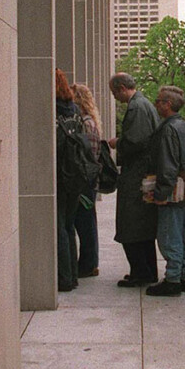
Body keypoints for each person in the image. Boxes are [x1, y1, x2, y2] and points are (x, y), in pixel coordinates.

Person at [144, 86, 185, 297]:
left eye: (159, 100)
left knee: (171, 235)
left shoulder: (169, 129)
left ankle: (172, 279)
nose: (156, 103)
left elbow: (168, 165)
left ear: (167, 104)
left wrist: (161, 193)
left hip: (174, 191)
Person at [108, 73, 160, 287]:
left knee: (132, 223)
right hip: (141, 171)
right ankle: (145, 270)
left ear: (121, 87)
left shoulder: (137, 107)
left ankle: (142, 272)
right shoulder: (143, 104)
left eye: (114, 92)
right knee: (143, 225)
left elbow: (136, 140)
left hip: (137, 174)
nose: (114, 97)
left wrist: (118, 143)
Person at [71, 83, 102, 278]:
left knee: (85, 222)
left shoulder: (86, 123)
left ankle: (89, 264)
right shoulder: (88, 121)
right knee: (85, 221)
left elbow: (88, 155)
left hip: (85, 180)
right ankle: (89, 263)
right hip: (86, 179)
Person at [55, 69, 81, 292]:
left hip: (59, 173)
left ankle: (64, 278)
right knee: (69, 225)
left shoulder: (52, 111)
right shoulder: (74, 110)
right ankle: (72, 275)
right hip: (75, 174)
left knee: (59, 226)